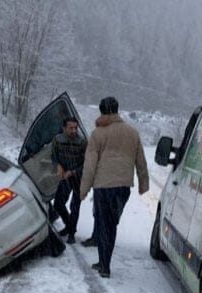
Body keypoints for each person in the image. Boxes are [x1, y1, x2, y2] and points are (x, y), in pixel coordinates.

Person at [80, 97, 149, 278]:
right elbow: (141, 161)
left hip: (103, 187)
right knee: (111, 224)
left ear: (102, 112)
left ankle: (104, 265)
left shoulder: (98, 134)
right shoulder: (132, 133)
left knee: (104, 224)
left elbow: (90, 165)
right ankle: (104, 262)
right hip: (123, 188)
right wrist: (143, 184)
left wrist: (83, 189)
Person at [52, 117, 88, 244]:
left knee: (75, 206)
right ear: (64, 128)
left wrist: (73, 172)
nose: (74, 131)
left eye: (75, 128)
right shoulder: (57, 140)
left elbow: (87, 163)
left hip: (78, 177)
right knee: (58, 204)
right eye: (71, 128)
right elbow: (54, 157)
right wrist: (58, 166)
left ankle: (71, 233)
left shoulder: (82, 142)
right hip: (64, 177)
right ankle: (69, 226)